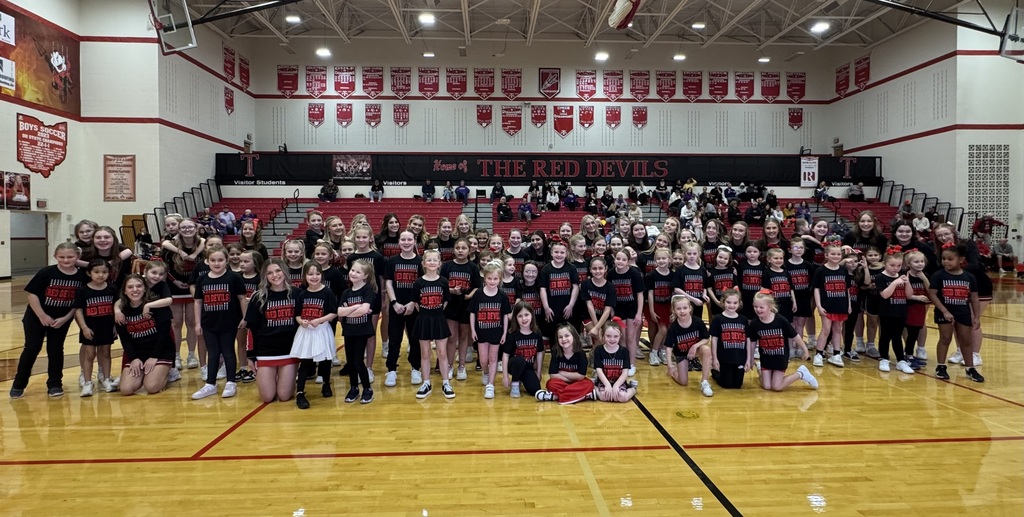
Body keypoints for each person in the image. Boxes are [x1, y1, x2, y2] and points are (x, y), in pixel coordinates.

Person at [10, 242, 86, 399]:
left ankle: (54, 384)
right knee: (31, 349)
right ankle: (19, 384)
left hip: (61, 320)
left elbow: (78, 303)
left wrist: (65, 319)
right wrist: (42, 316)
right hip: (36, 317)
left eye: (70, 257)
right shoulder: (47, 272)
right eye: (62, 257)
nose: (66, 260)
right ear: (55, 256)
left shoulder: (81, 277)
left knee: (56, 350)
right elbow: (32, 294)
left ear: (77, 257)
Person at [190, 246, 248, 400]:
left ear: (226, 261)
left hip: (229, 322)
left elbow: (242, 298)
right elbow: (197, 302)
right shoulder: (202, 279)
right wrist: (197, 323)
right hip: (209, 323)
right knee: (213, 353)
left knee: (228, 351)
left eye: (220, 260)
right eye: (213, 260)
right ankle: (210, 384)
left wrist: (245, 317)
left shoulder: (234, 278)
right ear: (207, 261)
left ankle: (231, 382)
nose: (217, 263)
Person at [244, 259, 300, 404]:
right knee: (267, 398)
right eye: (270, 273)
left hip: (290, 351)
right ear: (265, 276)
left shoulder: (297, 294)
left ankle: (283, 376)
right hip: (265, 352)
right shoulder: (258, 297)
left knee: (283, 396)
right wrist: (250, 356)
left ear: (284, 272)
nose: (275, 275)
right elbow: (251, 329)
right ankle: (274, 375)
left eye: (278, 271)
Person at [929, 243, 983, 382]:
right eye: (943, 259)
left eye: (950, 259)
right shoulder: (938, 275)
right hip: (944, 312)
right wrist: (944, 310)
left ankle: (970, 368)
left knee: (966, 340)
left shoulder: (969, 277)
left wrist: (976, 317)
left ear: (960, 259)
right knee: (945, 338)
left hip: (963, 312)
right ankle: (941, 366)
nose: (946, 262)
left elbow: (974, 298)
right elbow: (932, 294)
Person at [289, 262, 338, 409]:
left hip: (321, 329)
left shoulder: (327, 292)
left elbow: (333, 313)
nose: (314, 277)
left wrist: (319, 320)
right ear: (304, 276)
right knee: (305, 362)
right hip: (306, 331)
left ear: (321, 275)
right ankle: (300, 392)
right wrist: (301, 321)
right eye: (310, 274)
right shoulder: (302, 294)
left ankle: (326, 383)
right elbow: (296, 314)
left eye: (317, 274)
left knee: (325, 360)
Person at [748, 291, 817, 391]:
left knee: (776, 387)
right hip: (766, 359)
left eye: (761, 307)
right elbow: (753, 342)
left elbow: (795, 335)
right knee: (767, 386)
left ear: (770, 306)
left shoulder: (780, 320)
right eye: (755, 307)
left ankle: (801, 373)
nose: (758, 310)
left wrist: (805, 349)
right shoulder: (755, 324)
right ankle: (760, 369)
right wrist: (750, 359)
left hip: (780, 358)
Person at [74, 260, 119, 396]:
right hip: (90, 328)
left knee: (106, 353)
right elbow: (78, 310)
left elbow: (117, 307)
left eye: (104, 272)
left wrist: (115, 326)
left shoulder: (112, 288)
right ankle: (87, 383)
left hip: (107, 326)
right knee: (90, 354)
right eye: (97, 272)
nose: (100, 275)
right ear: (89, 273)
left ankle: (106, 379)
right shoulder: (83, 290)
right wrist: (84, 327)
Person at [470, 259, 513, 400]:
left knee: (493, 358)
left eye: (495, 279)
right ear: (485, 278)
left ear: (499, 279)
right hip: (481, 331)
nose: (492, 281)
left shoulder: (502, 296)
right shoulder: (478, 294)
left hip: (496, 332)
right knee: (483, 359)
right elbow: (472, 313)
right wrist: (473, 330)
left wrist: (505, 333)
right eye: (489, 278)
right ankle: (486, 372)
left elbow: (506, 316)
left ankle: (491, 385)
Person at [384, 231, 423, 388]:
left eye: (409, 239)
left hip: (414, 307)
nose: (406, 242)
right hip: (397, 306)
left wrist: (413, 302)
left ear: (414, 242)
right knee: (395, 339)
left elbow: (422, 284)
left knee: (415, 339)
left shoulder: (420, 262)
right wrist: (394, 302)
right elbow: (388, 283)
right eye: (403, 239)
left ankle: (415, 368)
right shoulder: (392, 261)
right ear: (399, 242)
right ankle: (391, 369)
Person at [337, 259, 377, 403]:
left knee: (358, 361)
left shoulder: (367, 290)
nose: (353, 273)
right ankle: (353, 387)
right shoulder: (346, 292)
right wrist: (355, 308)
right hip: (349, 331)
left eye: (358, 272)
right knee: (350, 361)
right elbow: (339, 312)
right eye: (352, 270)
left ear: (365, 276)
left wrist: (350, 310)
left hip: (362, 330)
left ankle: (367, 388)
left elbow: (365, 310)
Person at [873, 246, 916, 374]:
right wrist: (895, 283)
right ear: (884, 264)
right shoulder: (880, 277)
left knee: (897, 336)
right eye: (892, 265)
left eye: (898, 265)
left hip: (901, 311)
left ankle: (900, 360)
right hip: (886, 312)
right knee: (885, 335)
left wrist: (907, 283)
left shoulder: (902, 276)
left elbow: (909, 295)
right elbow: (885, 295)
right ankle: (884, 358)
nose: (895, 268)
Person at [664, 296, 714, 397]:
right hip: (681, 353)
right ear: (674, 310)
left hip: (695, 350)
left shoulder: (698, 322)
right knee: (683, 382)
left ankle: (704, 382)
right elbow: (668, 347)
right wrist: (670, 365)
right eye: (678, 309)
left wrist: (695, 346)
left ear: (690, 308)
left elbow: (706, 338)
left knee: (706, 349)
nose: (682, 311)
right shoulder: (673, 327)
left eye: (685, 308)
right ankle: (675, 372)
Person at [811, 242, 851, 368]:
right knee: (826, 329)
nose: (836, 256)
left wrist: (848, 305)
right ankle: (819, 353)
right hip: (827, 305)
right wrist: (818, 305)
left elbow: (847, 289)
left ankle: (836, 354)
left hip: (841, 304)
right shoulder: (821, 270)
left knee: (837, 329)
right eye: (833, 254)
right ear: (827, 255)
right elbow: (816, 289)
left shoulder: (844, 270)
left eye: (838, 254)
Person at [535, 324, 595, 403]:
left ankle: (555, 396)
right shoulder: (556, 352)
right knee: (550, 383)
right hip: (563, 383)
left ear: (574, 336)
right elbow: (553, 375)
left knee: (589, 384)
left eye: (567, 336)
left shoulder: (581, 354)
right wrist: (571, 380)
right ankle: (584, 395)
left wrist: (561, 373)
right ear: (557, 339)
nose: (564, 339)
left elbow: (580, 376)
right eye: (560, 337)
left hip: (576, 382)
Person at [500, 301, 545, 398]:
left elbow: (540, 353)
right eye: (520, 316)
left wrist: (538, 373)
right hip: (513, 365)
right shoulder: (512, 334)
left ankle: (522, 378)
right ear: (515, 318)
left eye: (526, 315)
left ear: (532, 315)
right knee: (519, 360)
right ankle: (515, 383)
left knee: (535, 390)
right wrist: (505, 376)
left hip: (528, 367)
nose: (524, 319)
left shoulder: (537, 333)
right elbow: (505, 355)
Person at [709, 288, 750, 390]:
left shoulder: (743, 319)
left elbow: (748, 339)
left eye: (735, 303)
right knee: (726, 384)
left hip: (739, 357)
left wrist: (748, 359)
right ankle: (714, 372)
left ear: (739, 303)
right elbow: (714, 339)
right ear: (723, 302)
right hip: (724, 358)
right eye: (728, 302)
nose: (731, 305)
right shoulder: (718, 319)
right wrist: (714, 359)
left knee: (737, 385)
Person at [593, 319, 636, 403]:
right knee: (603, 397)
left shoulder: (624, 351)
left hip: (619, 382)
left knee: (622, 398)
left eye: (615, 336)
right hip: (604, 381)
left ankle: (633, 389)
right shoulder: (599, 350)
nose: (612, 339)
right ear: (603, 335)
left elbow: (625, 372)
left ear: (620, 336)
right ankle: (594, 386)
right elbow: (599, 370)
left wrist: (616, 385)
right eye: (608, 336)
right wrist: (607, 385)